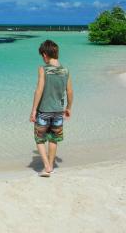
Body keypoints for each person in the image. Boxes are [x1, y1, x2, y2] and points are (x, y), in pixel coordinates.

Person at [29, 40, 73, 177]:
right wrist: (68, 107)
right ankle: (51, 165)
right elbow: (70, 92)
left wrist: (34, 110)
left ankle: (46, 166)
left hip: (44, 110)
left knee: (39, 139)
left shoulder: (43, 69)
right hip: (59, 111)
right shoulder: (66, 70)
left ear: (44, 54)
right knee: (54, 139)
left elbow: (39, 90)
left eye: (42, 55)